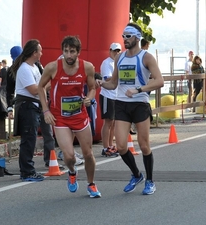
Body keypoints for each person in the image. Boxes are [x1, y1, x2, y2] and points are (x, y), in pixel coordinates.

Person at [98, 23, 164, 195]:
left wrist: (139, 89)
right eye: (123, 36)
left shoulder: (146, 57)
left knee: (143, 146)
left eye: (128, 36)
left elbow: (159, 80)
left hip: (140, 103)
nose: (125, 39)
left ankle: (150, 181)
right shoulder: (119, 57)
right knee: (121, 146)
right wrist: (101, 83)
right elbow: (113, 83)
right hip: (121, 103)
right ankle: (136, 175)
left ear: (137, 37)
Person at [37, 35, 101, 198]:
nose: (69, 55)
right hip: (60, 117)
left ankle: (91, 184)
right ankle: (72, 172)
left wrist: (89, 98)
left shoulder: (87, 67)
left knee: (88, 154)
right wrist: (46, 110)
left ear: (78, 52)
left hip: (79, 116)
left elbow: (93, 88)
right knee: (69, 156)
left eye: (72, 51)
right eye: (66, 51)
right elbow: (40, 87)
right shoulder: (52, 67)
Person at [9, 39, 45, 182]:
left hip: (34, 106)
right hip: (26, 106)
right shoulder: (24, 68)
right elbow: (34, 89)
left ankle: (28, 169)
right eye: (39, 50)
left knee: (31, 138)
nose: (41, 53)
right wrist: (46, 86)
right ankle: (27, 171)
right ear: (34, 52)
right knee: (28, 139)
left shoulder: (35, 67)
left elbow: (41, 85)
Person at [99, 42, 121, 157]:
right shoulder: (106, 63)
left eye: (118, 51)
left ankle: (111, 145)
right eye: (114, 51)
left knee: (113, 123)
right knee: (108, 122)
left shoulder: (119, 63)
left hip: (116, 95)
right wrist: (119, 76)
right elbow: (107, 79)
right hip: (107, 95)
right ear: (110, 51)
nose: (116, 53)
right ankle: (105, 147)